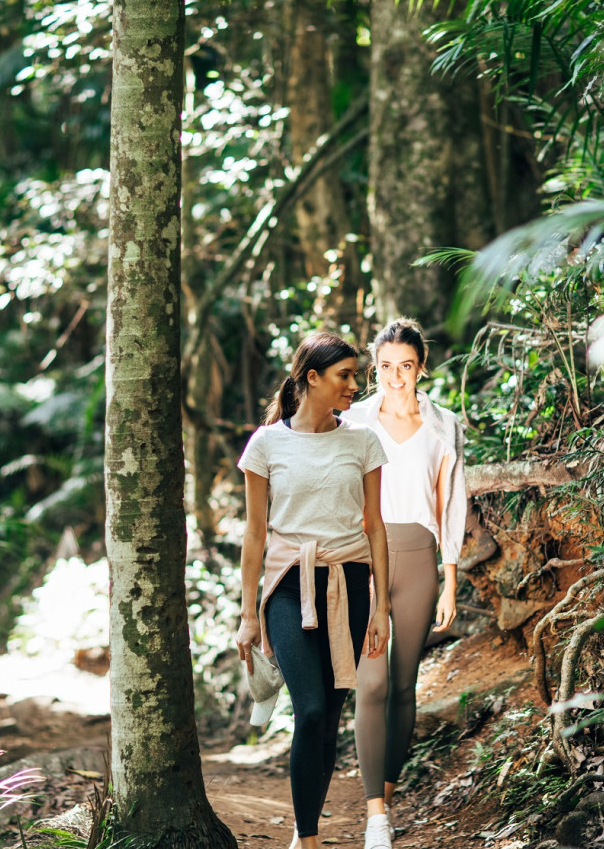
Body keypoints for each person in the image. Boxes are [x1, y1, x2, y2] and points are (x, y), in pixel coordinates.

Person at [235, 332, 392, 849]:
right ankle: (306, 840)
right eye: (345, 375)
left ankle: (309, 832)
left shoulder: (362, 441)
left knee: (330, 719)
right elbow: (254, 535)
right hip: (288, 584)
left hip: (350, 584)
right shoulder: (266, 444)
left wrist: (382, 606)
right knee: (312, 710)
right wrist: (248, 615)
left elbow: (375, 526)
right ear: (312, 377)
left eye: (356, 375)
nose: (355, 385)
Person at [341, 318, 468, 849]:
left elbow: (451, 501)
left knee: (402, 685)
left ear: (421, 368)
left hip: (418, 560)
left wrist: (450, 578)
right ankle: (375, 818)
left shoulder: (443, 425)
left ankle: (386, 799)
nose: (396, 377)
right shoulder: (352, 420)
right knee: (370, 683)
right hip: (364, 560)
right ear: (374, 368)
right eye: (386, 367)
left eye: (406, 366)